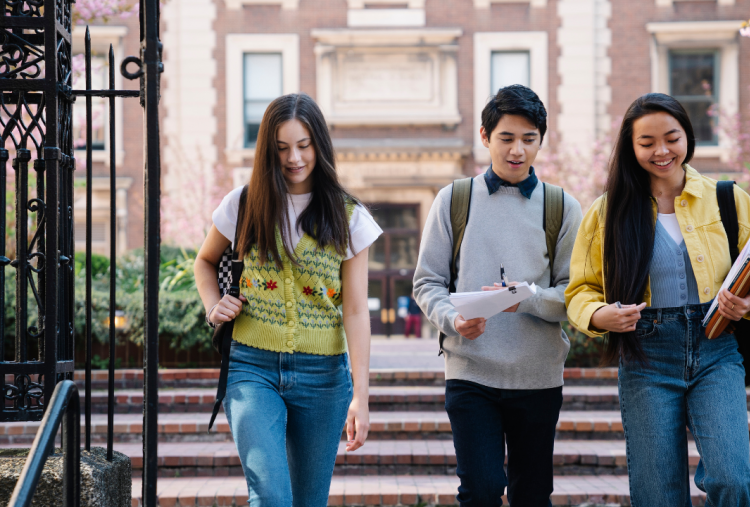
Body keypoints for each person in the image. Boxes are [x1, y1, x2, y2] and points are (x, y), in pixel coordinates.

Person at [194, 93, 382, 506]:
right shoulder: (243, 204)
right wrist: (213, 305)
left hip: (325, 378)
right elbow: (204, 262)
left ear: (319, 144)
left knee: (307, 501)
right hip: (251, 367)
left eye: (303, 145)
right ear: (267, 150)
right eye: (281, 148)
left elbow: (355, 310)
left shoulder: (349, 217)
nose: (294, 158)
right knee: (272, 496)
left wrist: (361, 395)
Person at [565, 93, 750, 506]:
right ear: (631, 148)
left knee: (734, 479)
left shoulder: (727, 198)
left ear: (688, 136)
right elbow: (580, 289)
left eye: (672, 137)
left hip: (716, 348)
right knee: (657, 497)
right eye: (646, 142)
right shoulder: (607, 212)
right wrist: (599, 316)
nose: (661, 151)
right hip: (646, 357)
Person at [413, 84, 583, 506]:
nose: (518, 150)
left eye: (529, 139)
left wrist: (522, 298)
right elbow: (427, 281)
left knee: (532, 495)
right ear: (486, 137)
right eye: (506, 138)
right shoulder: (454, 199)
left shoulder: (561, 207)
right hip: (471, 372)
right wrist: (453, 319)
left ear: (541, 140)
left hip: (538, 376)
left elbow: (574, 295)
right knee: (482, 489)